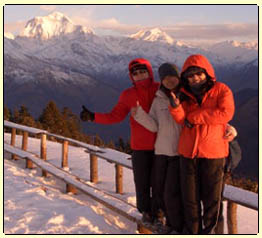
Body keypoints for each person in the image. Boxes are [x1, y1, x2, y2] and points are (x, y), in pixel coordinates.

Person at [80, 58, 159, 223]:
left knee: (161, 183)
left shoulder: (160, 89)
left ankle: (161, 214)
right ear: (131, 77)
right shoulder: (128, 95)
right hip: (140, 147)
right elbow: (115, 116)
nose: (139, 75)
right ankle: (146, 214)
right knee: (142, 183)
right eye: (135, 73)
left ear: (149, 72)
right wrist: (93, 117)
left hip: (163, 146)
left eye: (142, 71)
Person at [169, 54, 235, 234]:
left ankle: (212, 233)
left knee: (212, 201)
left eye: (198, 74)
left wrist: (195, 117)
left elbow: (225, 114)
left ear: (207, 73)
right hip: (188, 152)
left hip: (213, 153)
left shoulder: (222, 90)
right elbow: (182, 120)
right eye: (190, 76)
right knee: (190, 200)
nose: (195, 78)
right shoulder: (183, 94)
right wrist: (175, 107)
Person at [131, 63, 183, 234]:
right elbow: (154, 126)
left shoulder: (186, 96)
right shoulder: (159, 97)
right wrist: (139, 115)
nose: (169, 80)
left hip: (178, 153)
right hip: (160, 152)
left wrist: (228, 128)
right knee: (158, 189)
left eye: (172, 76)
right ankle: (157, 218)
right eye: (165, 78)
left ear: (179, 77)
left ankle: (173, 224)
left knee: (171, 192)